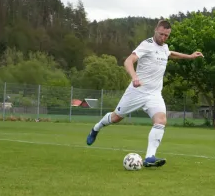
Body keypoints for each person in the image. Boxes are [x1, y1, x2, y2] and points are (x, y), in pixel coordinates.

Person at [86, 20, 204, 167]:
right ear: (155, 30)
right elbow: (128, 61)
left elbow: (170, 54)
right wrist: (134, 77)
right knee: (116, 117)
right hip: (137, 91)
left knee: (161, 120)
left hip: (154, 94)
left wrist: (190, 56)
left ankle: (149, 158)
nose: (163, 38)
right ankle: (96, 128)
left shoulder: (164, 47)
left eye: (166, 35)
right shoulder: (146, 45)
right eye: (161, 34)